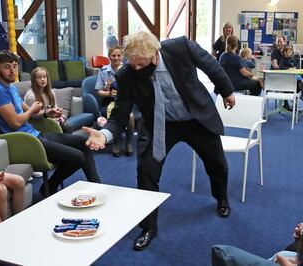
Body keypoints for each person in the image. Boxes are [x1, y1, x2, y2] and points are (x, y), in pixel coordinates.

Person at [83, 31, 235, 251]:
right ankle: (148, 227)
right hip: (161, 124)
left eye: (141, 64)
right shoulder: (126, 74)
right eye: (132, 64)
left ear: (156, 54)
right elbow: (120, 115)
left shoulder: (180, 47)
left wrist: (227, 91)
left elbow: (211, 66)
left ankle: (221, 197)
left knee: (217, 163)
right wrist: (104, 134)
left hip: (195, 118)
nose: (136, 69)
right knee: (146, 172)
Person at [0, 50, 101, 196]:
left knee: (84, 143)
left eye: (14, 66)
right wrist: (32, 109)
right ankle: (49, 187)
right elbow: (14, 122)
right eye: (7, 66)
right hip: (24, 141)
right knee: (77, 157)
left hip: (36, 135)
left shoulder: (11, 88)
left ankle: (97, 185)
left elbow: (29, 111)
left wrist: (46, 113)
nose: (12, 70)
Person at [95, 46, 135, 157]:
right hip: (108, 103)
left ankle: (129, 142)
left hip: (125, 102)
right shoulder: (103, 71)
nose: (116, 58)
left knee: (130, 117)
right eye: (113, 55)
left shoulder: (128, 70)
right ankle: (116, 143)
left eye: (118, 55)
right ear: (109, 57)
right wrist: (108, 93)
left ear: (122, 56)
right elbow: (98, 91)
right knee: (116, 114)